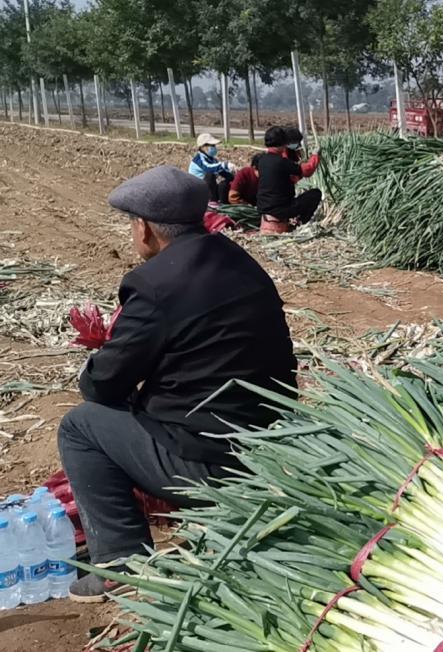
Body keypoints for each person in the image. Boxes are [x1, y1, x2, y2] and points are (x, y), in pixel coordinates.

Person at [58, 166, 296, 602]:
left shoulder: (153, 285)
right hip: (271, 445)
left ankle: (120, 562)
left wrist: (101, 360)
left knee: (80, 426)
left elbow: (102, 387)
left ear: (144, 228)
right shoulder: (241, 261)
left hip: (211, 462)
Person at [257, 126, 321, 234]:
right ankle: (300, 224)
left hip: (263, 207)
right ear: (283, 143)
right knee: (315, 194)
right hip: (281, 208)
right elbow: (307, 171)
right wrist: (315, 156)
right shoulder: (282, 162)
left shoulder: (262, 160)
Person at [187, 133, 235, 204]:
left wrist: (234, 177)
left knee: (224, 185)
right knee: (210, 175)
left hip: (209, 190)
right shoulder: (198, 159)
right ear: (203, 146)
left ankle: (223, 205)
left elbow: (221, 171)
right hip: (198, 191)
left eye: (214, 146)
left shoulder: (212, 160)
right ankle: (212, 203)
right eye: (212, 145)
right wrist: (225, 165)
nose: (214, 147)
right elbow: (209, 168)